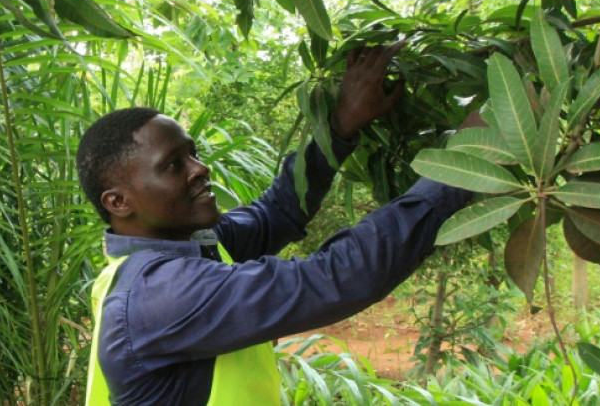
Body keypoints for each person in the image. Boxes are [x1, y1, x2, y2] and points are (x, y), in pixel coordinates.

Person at [77, 43, 479, 405]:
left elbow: (278, 211)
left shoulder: (191, 245)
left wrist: (339, 127)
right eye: (172, 165)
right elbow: (336, 277)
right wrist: (464, 164)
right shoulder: (160, 295)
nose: (200, 169)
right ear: (118, 202)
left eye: (193, 154)